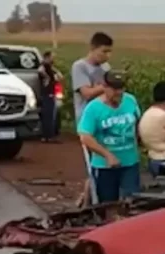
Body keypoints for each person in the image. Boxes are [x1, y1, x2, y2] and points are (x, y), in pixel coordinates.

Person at [77, 71, 142, 203]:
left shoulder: (130, 101)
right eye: (114, 88)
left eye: (121, 88)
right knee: (107, 204)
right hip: (105, 166)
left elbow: (137, 122)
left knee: (133, 200)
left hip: (130, 163)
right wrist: (107, 155)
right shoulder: (93, 108)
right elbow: (85, 136)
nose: (118, 92)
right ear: (104, 87)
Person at [71, 31, 113, 207]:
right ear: (94, 48)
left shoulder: (106, 69)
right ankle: (89, 201)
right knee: (93, 164)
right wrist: (104, 86)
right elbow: (86, 93)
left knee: (100, 163)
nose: (107, 56)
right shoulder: (80, 67)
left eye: (109, 52)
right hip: (87, 122)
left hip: (104, 120)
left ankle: (85, 200)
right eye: (104, 51)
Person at [37, 51, 62, 143]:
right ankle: (48, 136)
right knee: (48, 116)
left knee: (50, 115)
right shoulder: (44, 68)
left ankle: (48, 135)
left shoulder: (50, 68)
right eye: (51, 57)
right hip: (47, 94)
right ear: (46, 57)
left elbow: (59, 76)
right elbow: (42, 72)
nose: (53, 59)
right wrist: (48, 77)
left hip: (50, 93)